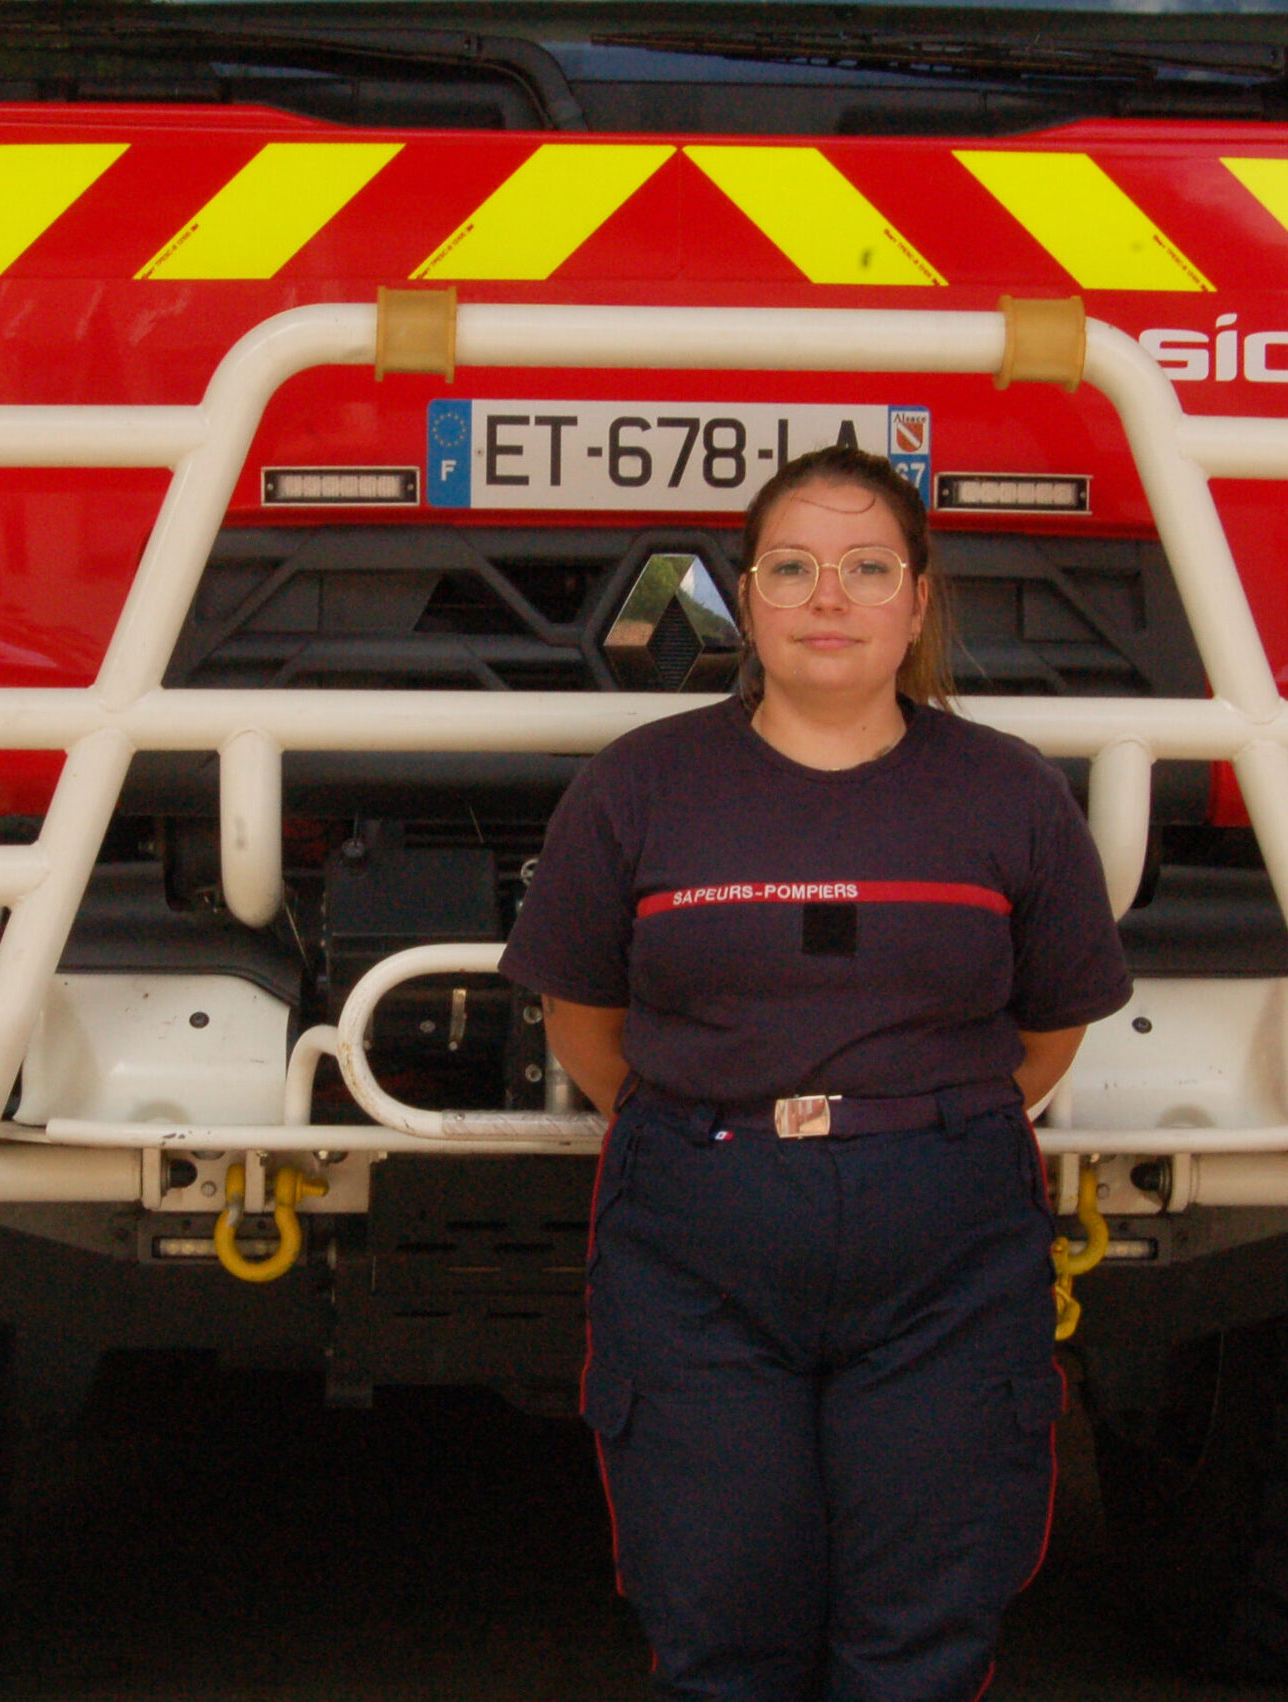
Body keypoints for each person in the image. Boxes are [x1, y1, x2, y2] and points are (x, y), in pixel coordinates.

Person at [500, 442, 1131, 1702]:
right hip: (695, 1251)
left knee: (921, 1634)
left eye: (863, 567)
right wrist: (711, 1129)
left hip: (946, 1261)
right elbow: (583, 1022)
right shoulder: (640, 784)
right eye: (790, 568)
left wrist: (920, 1128)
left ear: (917, 598)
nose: (826, 597)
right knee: (722, 1620)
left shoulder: (1007, 793)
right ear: (745, 598)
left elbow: (1050, 1031)